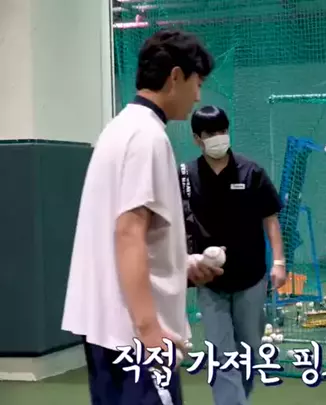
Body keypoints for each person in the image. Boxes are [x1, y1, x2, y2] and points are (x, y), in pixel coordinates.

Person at [61, 29, 221, 405]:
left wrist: (182, 265)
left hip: (107, 331)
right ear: (176, 77)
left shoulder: (117, 129)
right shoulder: (147, 137)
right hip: (135, 336)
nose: (198, 96)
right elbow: (128, 233)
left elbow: (125, 235)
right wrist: (149, 331)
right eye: (198, 83)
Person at [179, 105, 287, 405]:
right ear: (197, 139)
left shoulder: (251, 172)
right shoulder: (185, 175)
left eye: (222, 131)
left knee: (248, 351)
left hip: (251, 277)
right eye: (210, 133)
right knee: (220, 351)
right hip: (209, 281)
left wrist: (279, 262)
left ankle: (239, 397)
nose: (218, 137)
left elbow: (270, 218)